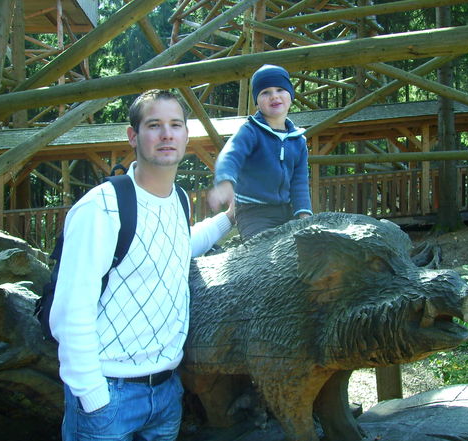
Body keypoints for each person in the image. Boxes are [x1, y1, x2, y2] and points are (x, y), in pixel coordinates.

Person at [50, 90, 234, 441]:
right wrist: (93, 397)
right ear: (133, 136)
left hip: (166, 393)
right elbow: (70, 310)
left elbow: (179, 247)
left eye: (175, 125)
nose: (167, 134)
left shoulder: (178, 199)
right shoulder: (101, 207)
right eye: (154, 125)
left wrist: (229, 219)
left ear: (185, 135)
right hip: (108, 396)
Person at [208, 64, 312, 240]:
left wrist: (304, 215)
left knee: (301, 247)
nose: (274, 96)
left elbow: (299, 182)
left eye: (280, 89)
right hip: (252, 211)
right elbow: (231, 155)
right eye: (265, 92)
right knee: (262, 250)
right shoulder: (250, 131)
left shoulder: (297, 140)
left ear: (291, 95)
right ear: (257, 101)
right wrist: (225, 181)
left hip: (286, 210)